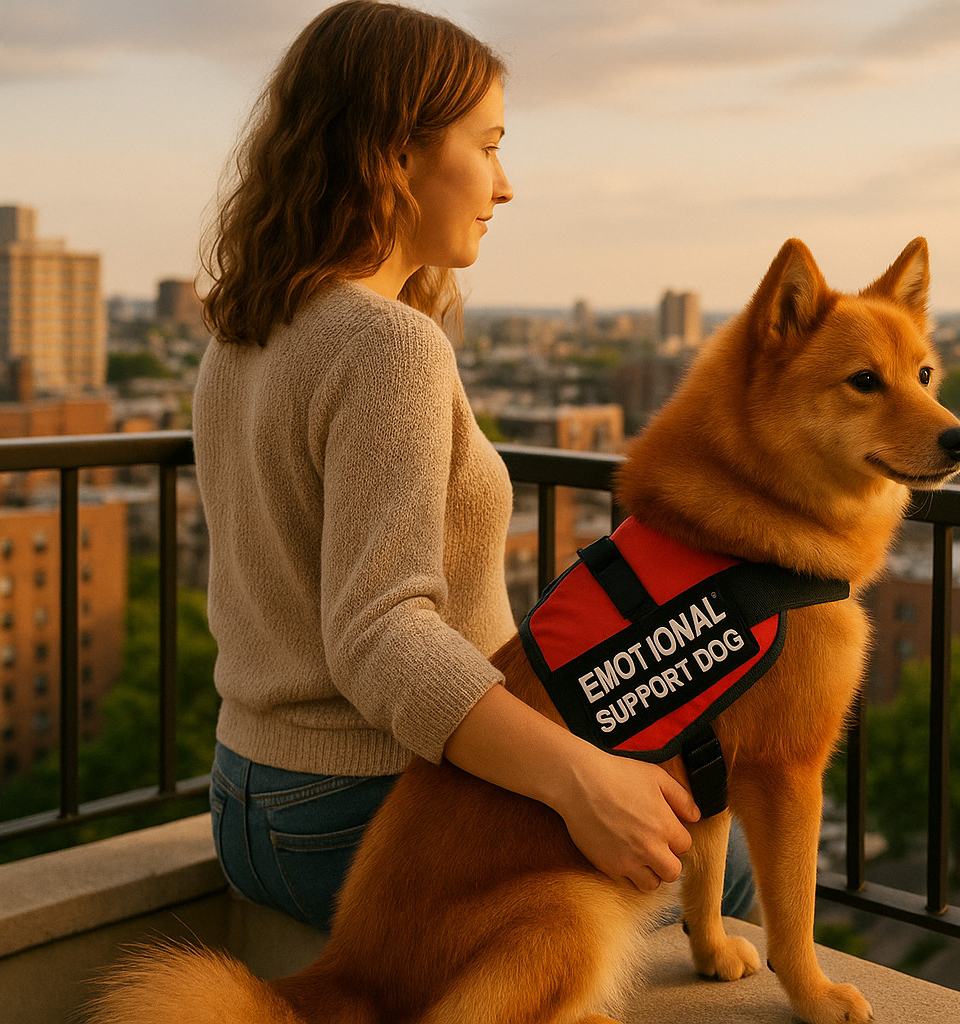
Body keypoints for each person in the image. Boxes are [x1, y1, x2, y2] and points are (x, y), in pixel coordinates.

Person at [194, 0, 752, 931]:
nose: (503, 184)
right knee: (723, 882)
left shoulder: (247, 333)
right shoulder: (387, 345)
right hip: (365, 814)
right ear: (397, 152)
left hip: (249, 800)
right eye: (488, 145)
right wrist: (583, 782)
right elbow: (381, 637)